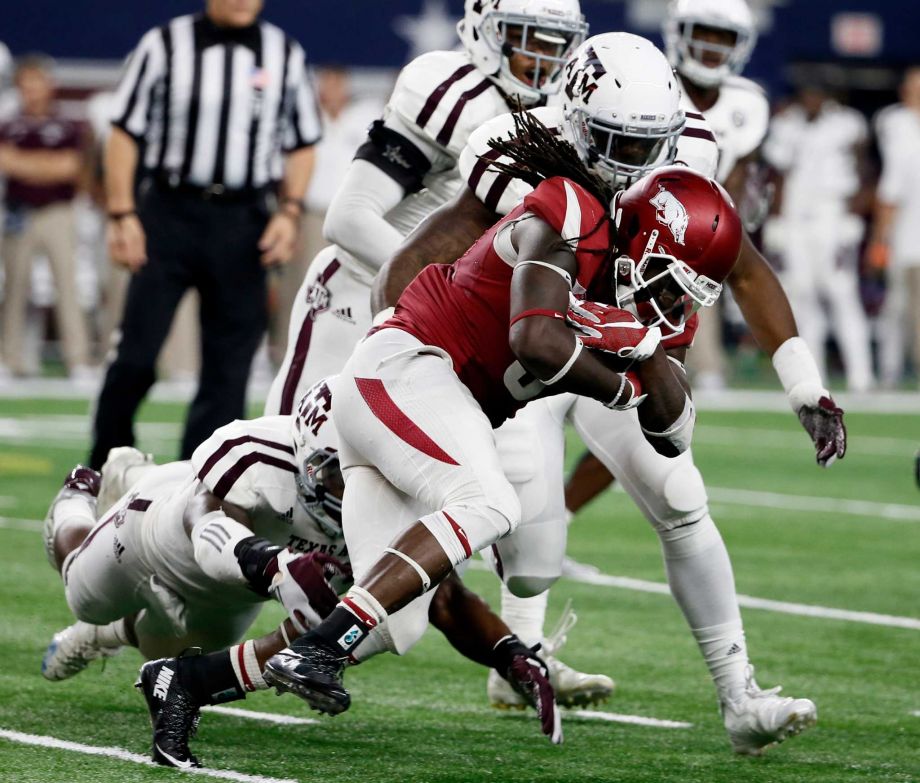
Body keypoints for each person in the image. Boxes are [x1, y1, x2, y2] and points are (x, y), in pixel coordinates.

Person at [370, 34, 835, 754]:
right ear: (579, 119)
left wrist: (804, 383)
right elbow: (433, 244)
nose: (634, 162)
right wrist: (395, 350)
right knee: (532, 533)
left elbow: (742, 265)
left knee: (680, 493)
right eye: (617, 141)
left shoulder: (690, 153)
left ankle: (741, 694)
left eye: (649, 143)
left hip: (627, 342)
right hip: (528, 349)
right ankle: (518, 659)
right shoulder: (522, 152)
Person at [262, 113, 700, 725]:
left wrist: (649, 353)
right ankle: (314, 644)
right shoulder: (574, 212)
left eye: (689, 286)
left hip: (437, 396)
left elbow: (674, 435)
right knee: (490, 502)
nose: (672, 296)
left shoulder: (645, 303)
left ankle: (187, 680)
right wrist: (623, 386)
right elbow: (538, 343)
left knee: (399, 624)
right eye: (671, 273)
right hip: (413, 366)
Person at [264, 0, 611, 707]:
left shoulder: (567, 116)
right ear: (484, 30)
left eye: (556, 46)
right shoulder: (448, 90)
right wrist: (441, 289)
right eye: (525, 42)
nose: (540, 63)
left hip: (458, 331)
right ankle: (149, 529)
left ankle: (518, 652)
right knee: (284, 490)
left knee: (528, 519)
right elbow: (347, 215)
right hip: (364, 299)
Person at [42, 380, 561, 767]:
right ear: (309, 454)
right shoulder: (259, 452)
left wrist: (511, 653)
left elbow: (441, 597)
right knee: (81, 590)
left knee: (377, 616)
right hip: (153, 536)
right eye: (337, 471)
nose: (350, 484)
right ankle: (82, 495)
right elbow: (204, 525)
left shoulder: (381, 493)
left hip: (228, 598)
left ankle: (116, 639)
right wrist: (273, 564)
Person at [88, 0, 321, 469]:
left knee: (228, 370)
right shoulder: (164, 44)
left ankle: (199, 482)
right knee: (135, 355)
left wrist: (289, 211)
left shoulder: (284, 52)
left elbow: (301, 142)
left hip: (244, 221)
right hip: (169, 213)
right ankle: (102, 467)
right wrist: (121, 213)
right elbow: (124, 133)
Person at [662, 0, 768, 390]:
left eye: (722, 37)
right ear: (679, 32)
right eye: (702, 32)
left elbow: (740, 175)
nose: (710, 45)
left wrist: (724, 223)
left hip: (702, 225)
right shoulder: (655, 83)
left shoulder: (749, 102)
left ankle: (704, 367)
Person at [762, 82, 875, 393]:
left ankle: (861, 376)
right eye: (806, 94)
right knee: (802, 298)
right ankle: (815, 377)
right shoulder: (787, 124)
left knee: (841, 293)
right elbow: (779, 175)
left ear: (825, 95)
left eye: (816, 94)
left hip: (832, 216)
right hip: (797, 218)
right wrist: (776, 220)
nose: (810, 99)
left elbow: (865, 171)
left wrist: (854, 215)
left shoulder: (847, 123)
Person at [0, 54, 93, 381]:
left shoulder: (67, 125)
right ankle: (9, 359)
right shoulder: (9, 125)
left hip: (58, 213)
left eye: (38, 82)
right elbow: (6, 162)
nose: (32, 90)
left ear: (49, 86)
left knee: (67, 285)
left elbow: (70, 167)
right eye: (26, 83)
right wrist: (44, 166)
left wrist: (27, 164)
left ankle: (77, 359)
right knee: (14, 287)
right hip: (19, 213)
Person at [868, 66, 920, 389]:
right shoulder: (897, 127)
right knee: (896, 308)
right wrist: (880, 240)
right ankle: (889, 370)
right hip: (907, 238)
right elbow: (890, 193)